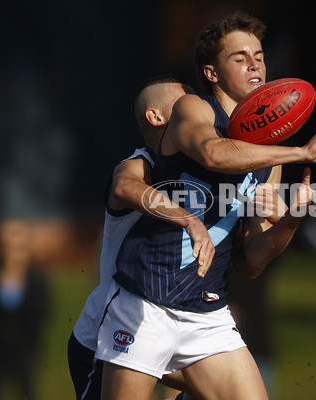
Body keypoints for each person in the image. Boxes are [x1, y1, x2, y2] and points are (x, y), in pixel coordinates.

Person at [95, 11, 316, 400]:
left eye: (258, 55)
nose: (254, 63)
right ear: (211, 73)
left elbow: (251, 261)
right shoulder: (193, 110)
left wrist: (293, 216)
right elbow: (213, 154)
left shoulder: (268, 159)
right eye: (239, 58)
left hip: (206, 315)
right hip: (146, 302)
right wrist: (299, 151)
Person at [67, 76, 213, 400]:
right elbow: (123, 187)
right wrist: (188, 220)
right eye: (185, 103)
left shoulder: (202, 174)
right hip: (106, 338)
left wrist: (290, 212)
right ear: (156, 117)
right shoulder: (140, 166)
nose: (197, 110)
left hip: (172, 327)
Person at [0, 218, 50, 400]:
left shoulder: (36, 279)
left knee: (28, 389)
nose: (11, 252)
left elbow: (42, 310)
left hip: (26, 345)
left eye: (18, 247)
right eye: (6, 246)